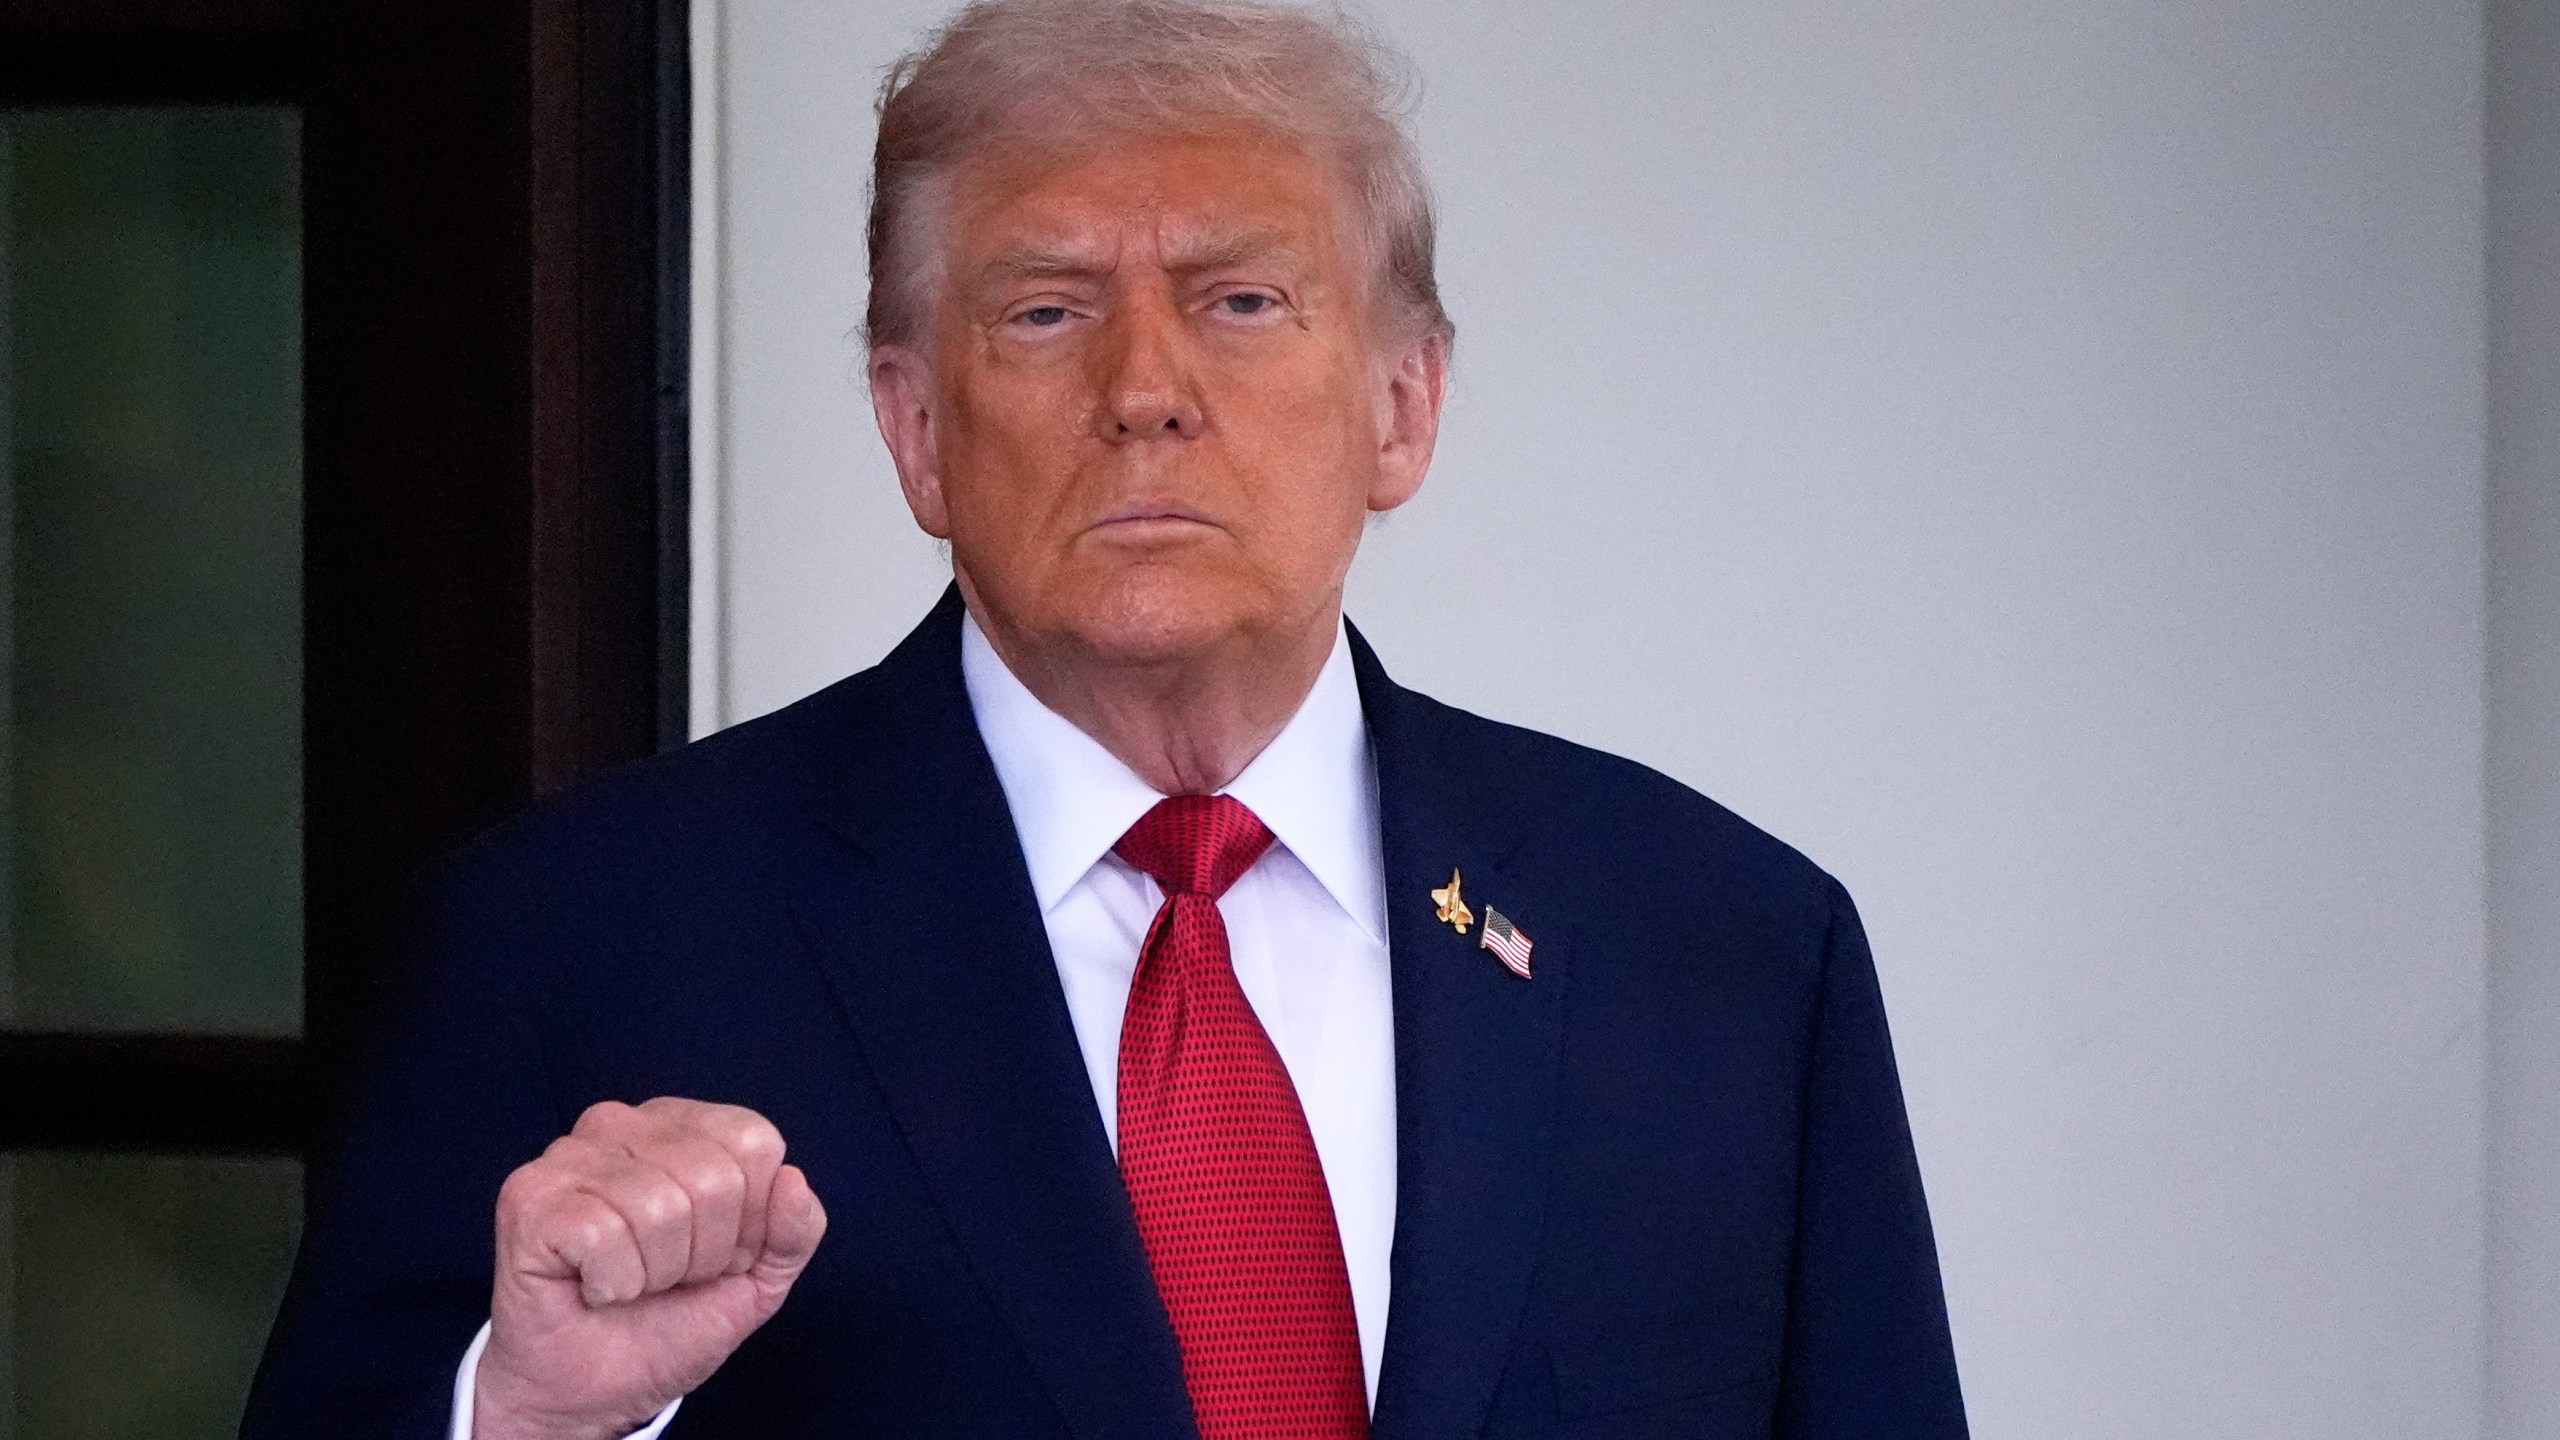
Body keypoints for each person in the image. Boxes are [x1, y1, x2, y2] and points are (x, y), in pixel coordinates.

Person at [243, 0, 1968, 1435]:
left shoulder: (1728, 952)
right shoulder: (574, 945)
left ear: (1404, 404)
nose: (1144, 390)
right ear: (916, 428)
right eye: (1047, 311)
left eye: (1240, 300)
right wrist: (524, 1421)